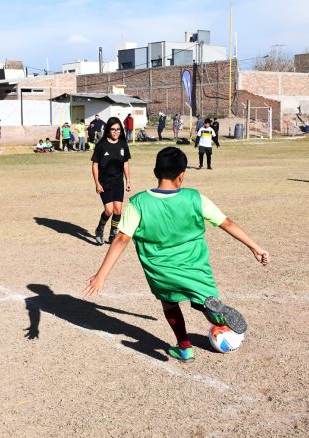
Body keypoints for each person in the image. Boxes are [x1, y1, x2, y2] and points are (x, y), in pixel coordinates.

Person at [83, 146, 269, 363]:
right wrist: (255, 247)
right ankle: (217, 316)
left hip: (161, 270)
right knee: (203, 300)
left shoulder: (139, 202)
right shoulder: (195, 198)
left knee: (169, 304)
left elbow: (122, 238)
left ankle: (185, 348)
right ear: (182, 175)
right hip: (195, 267)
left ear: (155, 172)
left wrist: (101, 276)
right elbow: (226, 223)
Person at [91, 117, 132, 245]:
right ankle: (100, 229)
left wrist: (128, 180)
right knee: (109, 210)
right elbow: (95, 165)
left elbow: (126, 163)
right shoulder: (101, 145)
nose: (116, 132)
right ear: (108, 130)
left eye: (118, 129)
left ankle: (113, 233)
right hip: (104, 182)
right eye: (113, 129)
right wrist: (97, 183)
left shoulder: (123, 144)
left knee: (118, 210)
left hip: (118, 182)